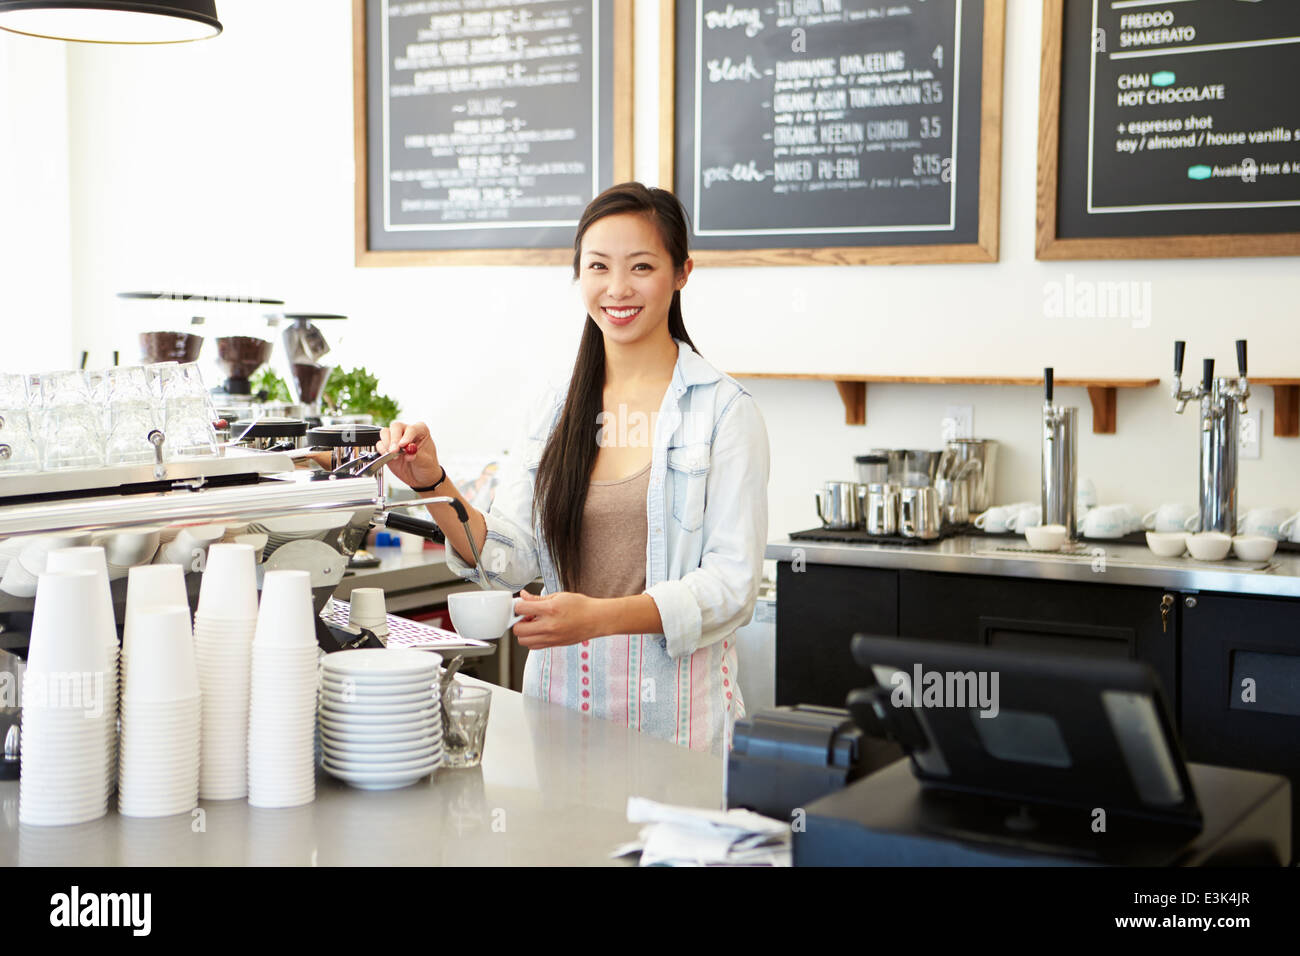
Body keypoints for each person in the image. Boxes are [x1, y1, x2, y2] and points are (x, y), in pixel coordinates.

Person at [378, 182, 769, 754]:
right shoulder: (555, 407)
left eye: (641, 266)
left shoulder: (725, 412)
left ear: (682, 273)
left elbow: (733, 588)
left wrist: (600, 619)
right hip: (559, 723)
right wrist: (434, 485)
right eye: (598, 267)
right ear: (578, 275)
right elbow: (508, 559)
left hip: (680, 731)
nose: (617, 288)